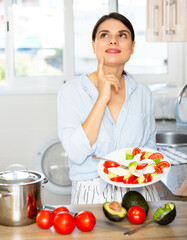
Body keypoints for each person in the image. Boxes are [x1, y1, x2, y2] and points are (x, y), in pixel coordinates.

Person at [57, 12, 160, 205]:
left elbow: (150, 147)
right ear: (94, 45)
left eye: (122, 35)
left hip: (140, 192)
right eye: (104, 35)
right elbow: (76, 153)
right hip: (92, 193)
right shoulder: (70, 92)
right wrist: (101, 100)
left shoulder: (143, 93)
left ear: (132, 47)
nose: (113, 41)